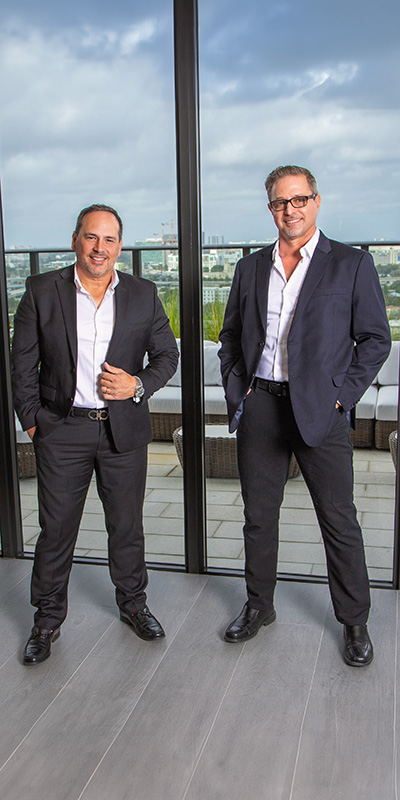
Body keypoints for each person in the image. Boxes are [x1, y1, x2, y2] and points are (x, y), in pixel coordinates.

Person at [219, 166, 391, 666]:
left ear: (316, 201)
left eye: (299, 199)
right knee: (258, 517)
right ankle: (259, 606)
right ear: (270, 208)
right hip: (261, 405)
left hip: (321, 410)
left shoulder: (352, 264)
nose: (290, 210)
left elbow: (375, 340)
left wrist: (341, 398)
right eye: (280, 202)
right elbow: (230, 336)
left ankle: (354, 621)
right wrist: (239, 388)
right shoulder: (250, 267)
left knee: (338, 519)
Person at [12, 204, 179, 665]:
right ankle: (46, 621)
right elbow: (21, 365)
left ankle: (134, 605)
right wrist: (34, 423)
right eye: (91, 237)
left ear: (119, 246)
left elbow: (167, 355)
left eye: (108, 239)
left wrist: (137, 384)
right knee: (56, 530)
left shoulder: (143, 293)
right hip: (61, 429)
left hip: (122, 431)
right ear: (75, 240)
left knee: (126, 526)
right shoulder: (42, 290)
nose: (99, 248)